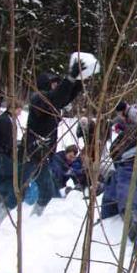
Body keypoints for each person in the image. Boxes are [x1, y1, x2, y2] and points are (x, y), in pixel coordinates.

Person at [23, 59, 88, 216]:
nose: (55, 86)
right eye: (53, 83)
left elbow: (64, 99)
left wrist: (78, 82)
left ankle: (34, 220)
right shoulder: (38, 99)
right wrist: (70, 78)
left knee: (48, 192)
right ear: (45, 84)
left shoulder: (50, 103)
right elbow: (57, 98)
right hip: (33, 154)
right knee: (17, 191)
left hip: (42, 154)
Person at [0, 102, 23, 235]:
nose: (20, 112)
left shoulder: (7, 119)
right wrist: (14, 152)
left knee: (6, 178)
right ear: (12, 108)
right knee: (9, 177)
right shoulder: (5, 121)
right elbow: (8, 142)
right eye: (19, 109)